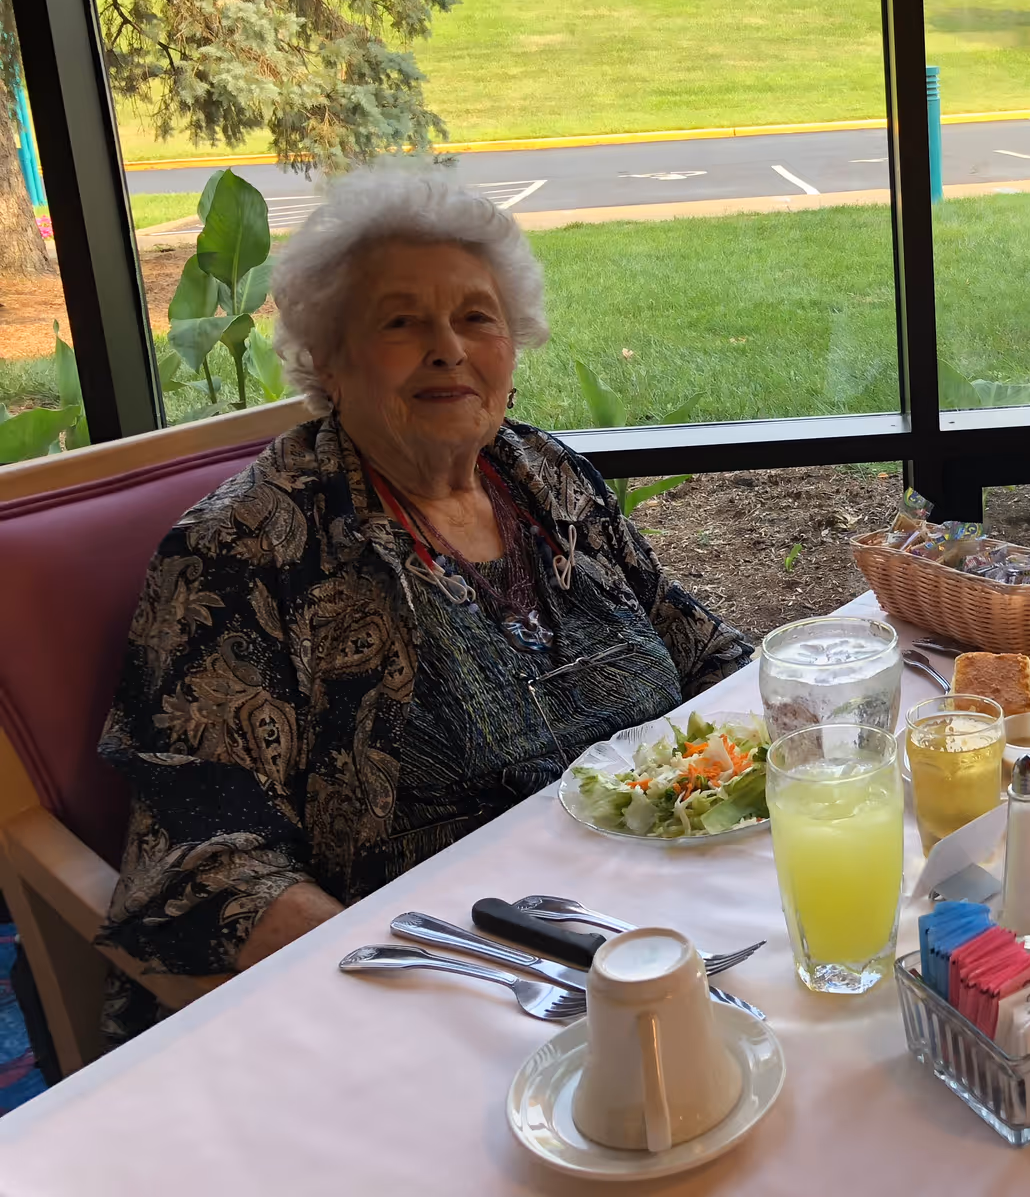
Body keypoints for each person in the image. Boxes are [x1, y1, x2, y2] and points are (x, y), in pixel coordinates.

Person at [96, 170, 752, 1038]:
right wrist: (412, 1004)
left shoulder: (542, 473)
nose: (448, 348)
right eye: (401, 322)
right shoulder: (244, 550)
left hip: (663, 912)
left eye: (476, 317)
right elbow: (205, 867)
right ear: (329, 358)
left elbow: (706, 655)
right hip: (455, 987)